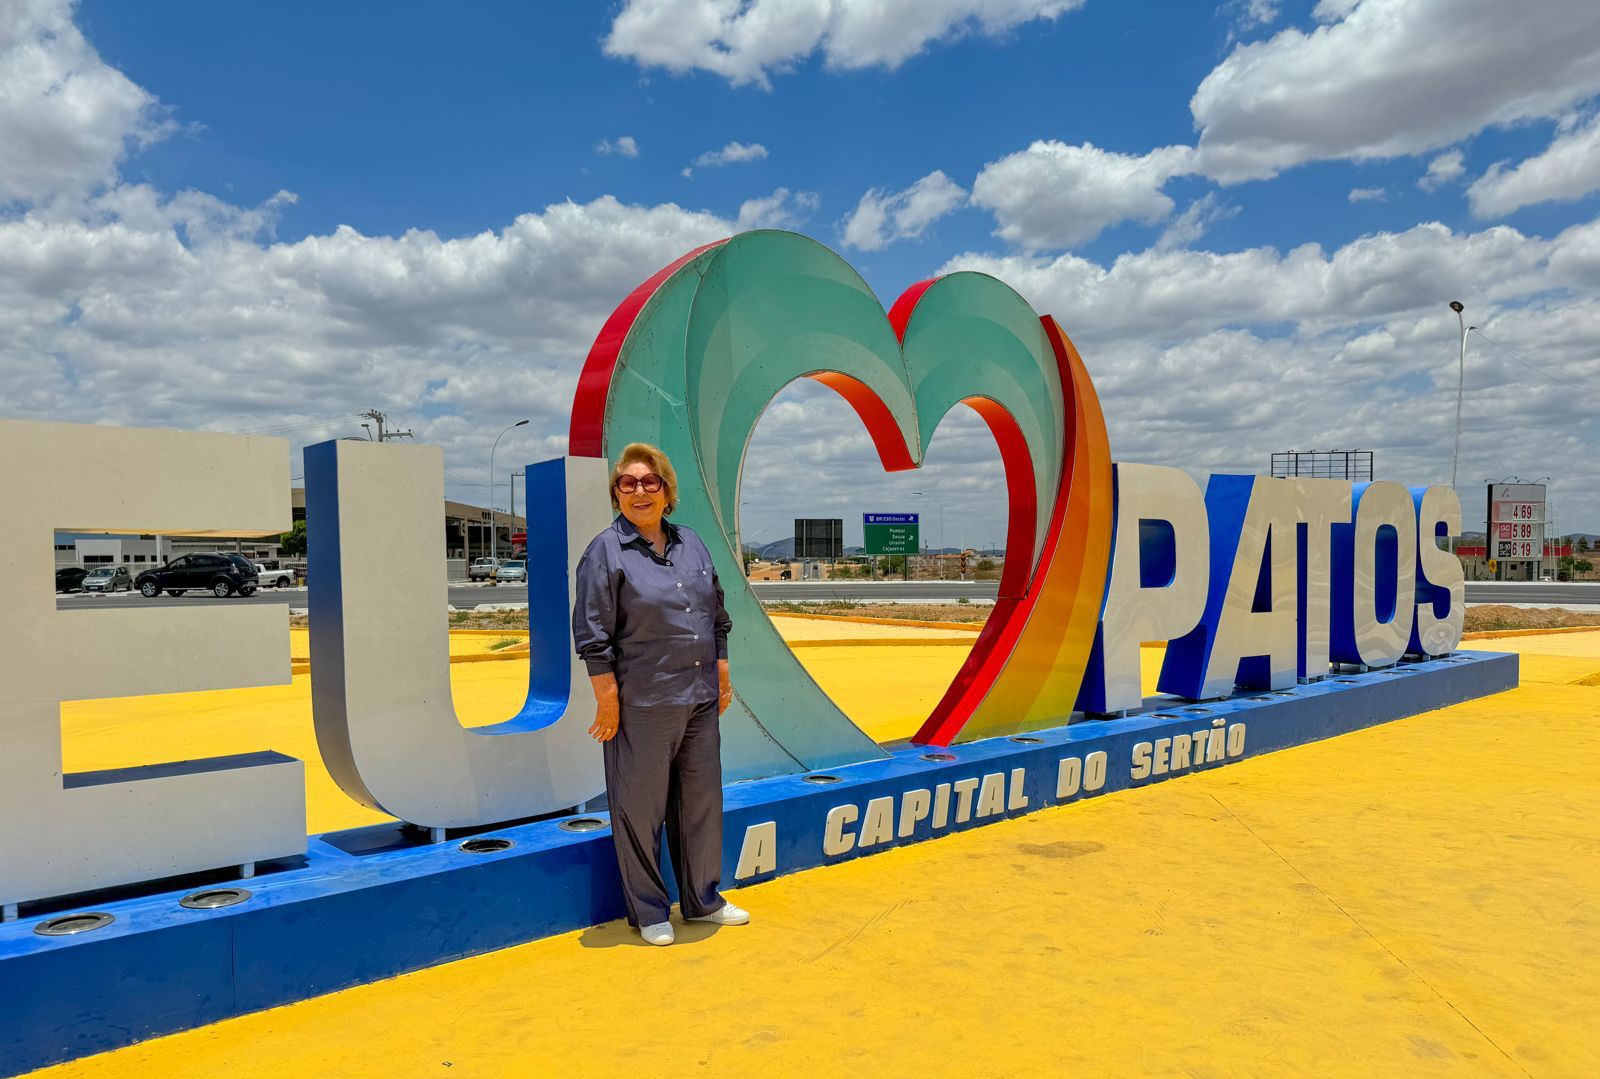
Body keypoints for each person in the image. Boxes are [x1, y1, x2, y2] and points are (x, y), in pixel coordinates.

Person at [571, 442, 749, 946]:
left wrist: (721, 671)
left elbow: (716, 614)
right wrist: (608, 700)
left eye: (650, 482)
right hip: (643, 703)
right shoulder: (605, 551)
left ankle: (703, 901)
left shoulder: (692, 543)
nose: (639, 491)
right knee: (640, 809)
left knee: (700, 803)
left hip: (699, 698)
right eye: (628, 483)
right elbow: (593, 635)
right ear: (616, 494)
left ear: (667, 491)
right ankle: (649, 911)